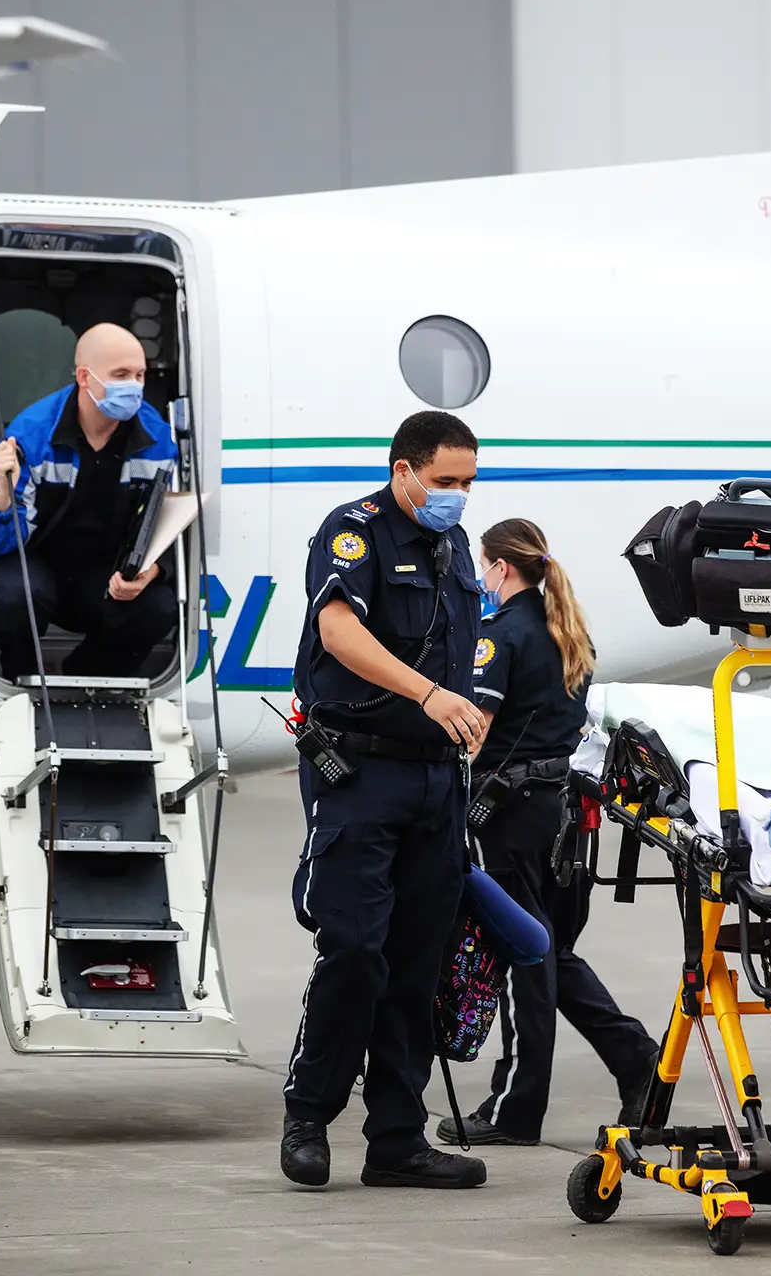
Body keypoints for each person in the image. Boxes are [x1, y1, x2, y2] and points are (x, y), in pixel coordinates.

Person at [280, 411, 490, 1191]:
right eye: (445, 482)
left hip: (438, 779)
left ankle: (397, 1139)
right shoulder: (354, 533)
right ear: (403, 472)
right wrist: (431, 695)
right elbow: (338, 634)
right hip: (361, 775)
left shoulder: (454, 545)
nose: (458, 497)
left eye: (468, 483)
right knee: (356, 950)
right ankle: (309, 1113)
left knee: (418, 962)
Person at [434, 519, 659, 1148]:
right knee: (551, 949)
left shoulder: (499, 636)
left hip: (506, 816)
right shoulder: (568, 632)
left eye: (485, 566)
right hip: (562, 812)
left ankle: (516, 1108)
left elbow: (472, 732)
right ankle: (636, 1058)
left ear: (502, 567)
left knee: (519, 954)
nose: (481, 578)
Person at [0, 322, 178, 682]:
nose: (133, 386)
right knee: (12, 597)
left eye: (140, 374)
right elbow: (1, 544)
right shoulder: (32, 434)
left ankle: (90, 675)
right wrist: (3, 494)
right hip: (40, 564)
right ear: (85, 377)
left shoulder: (158, 439)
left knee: (158, 607)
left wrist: (153, 569)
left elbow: (162, 522)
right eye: (121, 374)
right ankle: (23, 683)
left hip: (105, 570)